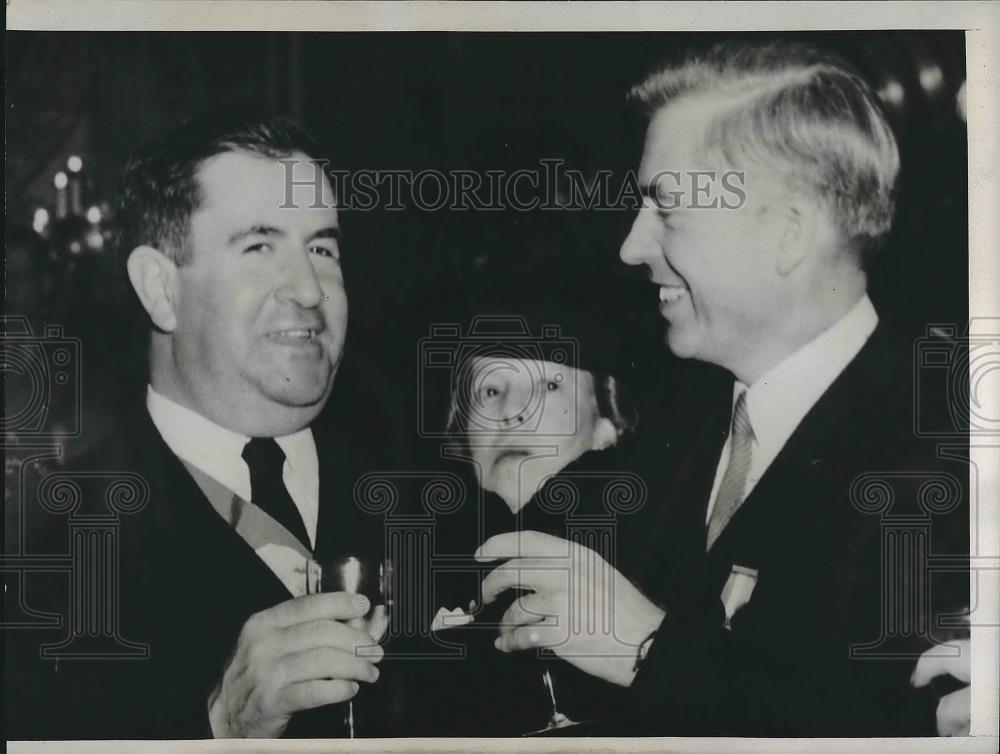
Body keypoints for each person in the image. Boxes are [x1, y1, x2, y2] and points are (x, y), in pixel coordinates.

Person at [474, 41, 969, 735]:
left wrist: (649, 649)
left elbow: (889, 725)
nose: (632, 246)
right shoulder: (686, 417)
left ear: (788, 235)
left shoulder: (956, 453)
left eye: (666, 210)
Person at [5, 111, 406, 739]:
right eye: (259, 246)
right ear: (161, 289)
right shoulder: (46, 545)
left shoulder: (428, 485)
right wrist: (217, 728)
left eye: (322, 247)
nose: (309, 288)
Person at [401, 300, 641, 736]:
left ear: (608, 424)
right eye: (490, 391)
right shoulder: (423, 587)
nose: (513, 412)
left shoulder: (660, 568)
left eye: (549, 386)